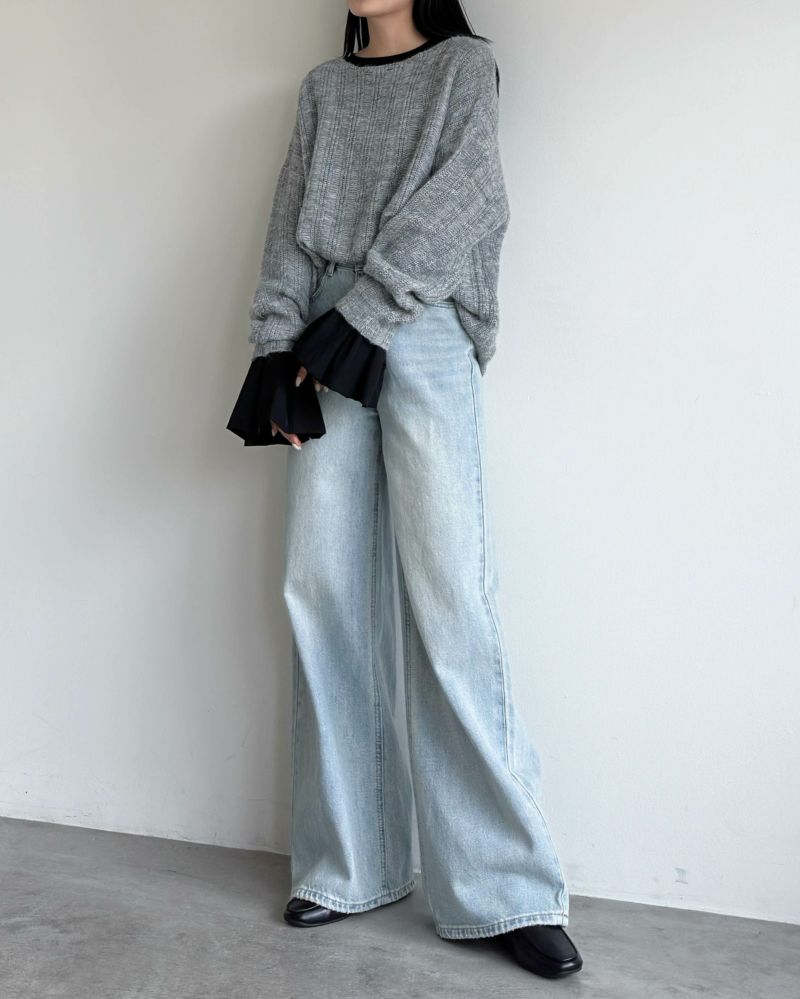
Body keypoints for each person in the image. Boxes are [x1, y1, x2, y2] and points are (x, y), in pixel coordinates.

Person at [227, 0, 583, 981]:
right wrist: (274, 345)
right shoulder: (323, 90)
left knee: (451, 600)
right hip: (322, 337)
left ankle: (504, 890)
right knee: (323, 589)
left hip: (419, 329)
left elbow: (471, 199)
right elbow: (290, 226)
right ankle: (349, 863)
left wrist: (372, 309)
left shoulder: (464, 68)